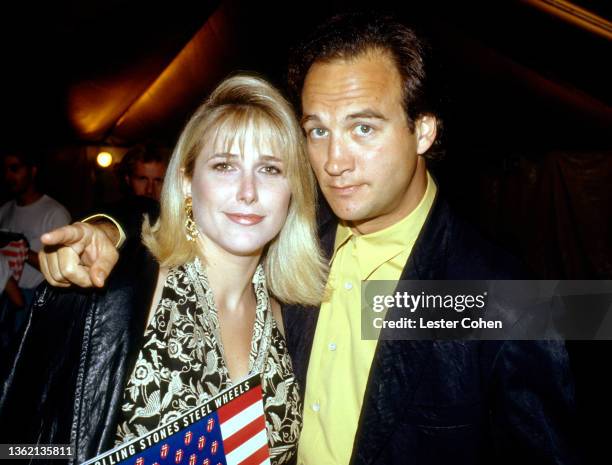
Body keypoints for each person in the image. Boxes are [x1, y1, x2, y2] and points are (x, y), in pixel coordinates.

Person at [36, 13, 577, 465]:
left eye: (363, 127)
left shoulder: (498, 294)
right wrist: (111, 230)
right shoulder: (296, 251)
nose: (335, 162)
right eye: (317, 130)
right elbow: (31, 443)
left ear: (423, 130)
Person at [0, 74, 327, 465]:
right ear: (188, 182)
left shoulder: (291, 311)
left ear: (294, 190)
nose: (248, 192)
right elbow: (19, 445)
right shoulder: (123, 289)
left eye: (271, 169)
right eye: (224, 165)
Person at [0, 150, 71, 347]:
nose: (8, 176)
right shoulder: (4, 210)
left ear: (32, 171)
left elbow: (63, 270)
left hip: (35, 303)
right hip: (5, 298)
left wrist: (21, 251)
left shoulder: (55, 213)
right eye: (4, 169)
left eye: (15, 169)